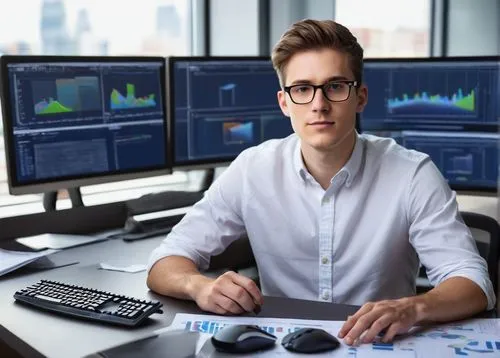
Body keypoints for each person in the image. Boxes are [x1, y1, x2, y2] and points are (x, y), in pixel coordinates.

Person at [147, 19, 495, 345]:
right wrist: (198, 287)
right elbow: (167, 260)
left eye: (335, 87)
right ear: (284, 103)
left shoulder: (411, 174)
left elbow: (473, 282)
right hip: (281, 346)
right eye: (302, 89)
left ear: (360, 97)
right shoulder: (252, 169)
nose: (319, 104)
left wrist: (413, 307)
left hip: (375, 345)